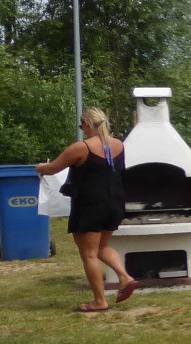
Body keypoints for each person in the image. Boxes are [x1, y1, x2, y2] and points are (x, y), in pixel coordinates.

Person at [35, 108, 139, 312]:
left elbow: (53, 168)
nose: (81, 129)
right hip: (114, 204)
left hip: (90, 206)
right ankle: (125, 277)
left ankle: (100, 301)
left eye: (81, 125)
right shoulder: (118, 145)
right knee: (102, 247)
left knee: (89, 254)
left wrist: (40, 167)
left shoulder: (81, 148)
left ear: (88, 124)